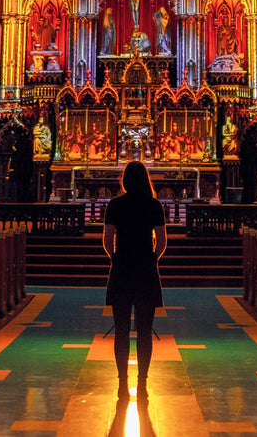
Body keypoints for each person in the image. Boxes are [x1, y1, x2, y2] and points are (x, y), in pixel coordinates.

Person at [103, 160, 167, 403]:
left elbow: (107, 239)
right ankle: (142, 384)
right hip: (145, 269)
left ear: (125, 180)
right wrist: (153, 259)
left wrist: (115, 258)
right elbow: (161, 241)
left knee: (121, 331)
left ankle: (122, 383)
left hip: (122, 269)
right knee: (144, 331)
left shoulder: (115, 205)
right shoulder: (154, 205)